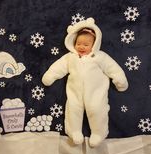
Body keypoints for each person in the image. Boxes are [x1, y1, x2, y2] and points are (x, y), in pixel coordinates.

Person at [42, 17, 128, 147]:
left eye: (86, 45)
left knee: (97, 109)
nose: (81, 47)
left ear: (94, 44)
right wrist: (50, 76)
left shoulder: (100, 57)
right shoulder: (70, 57)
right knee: (73, 109)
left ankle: (99, 133)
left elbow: (113, 68)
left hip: (96, 93)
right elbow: (58, 67)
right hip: (75, 92)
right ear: (73, 42)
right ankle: (74, 131)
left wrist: (120, 81)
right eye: (78, 43)